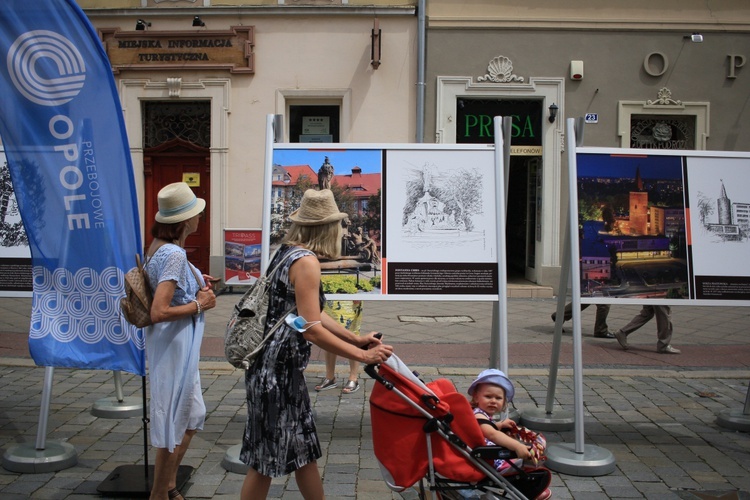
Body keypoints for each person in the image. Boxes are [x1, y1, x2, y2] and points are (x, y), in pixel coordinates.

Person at [240, 189, 393, 500]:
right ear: (327, 228)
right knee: (265, 461)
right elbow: (311, 330)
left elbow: (313, 312)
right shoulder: (306, 261)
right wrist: (363, 355)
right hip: (277, 374)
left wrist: (355, 337)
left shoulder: (286, 252)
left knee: (302, 451)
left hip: (275, 370)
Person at [144, 182, 217, 500]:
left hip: (174, 343)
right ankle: (160, 493)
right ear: (186, 220)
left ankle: (168, 485)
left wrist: (196, 280)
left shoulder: (160, 245)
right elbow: (159, 310)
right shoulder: (173, 253)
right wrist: (201, 303)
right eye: (196, 213)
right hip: (175, 343)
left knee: (189, 416)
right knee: (178, 418)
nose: (200, 216)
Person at [468, 369, 551, 500]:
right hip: (494, 461)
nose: (493, 401)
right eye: (488, 397)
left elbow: (484, 429)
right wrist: (516, 446)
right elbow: (492, 434)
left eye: (498, 398)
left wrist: (499, 425)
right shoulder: (478, 414)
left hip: (489, 456)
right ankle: (527, 494)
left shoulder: (480, 414)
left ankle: (523, 492)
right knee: (533, 467)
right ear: (476, 397)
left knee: (530, 461)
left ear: (504, 402)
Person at [315, 300, 365, 394]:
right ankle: (330, 377)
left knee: (352, 335)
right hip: (329, 298)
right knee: (328, 336)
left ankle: (353, 378)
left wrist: (358, 294)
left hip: (349, 299)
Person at [614, 305, 680, 354]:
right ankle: (664, 345)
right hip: (657, 290)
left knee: (647, 312)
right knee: (664, 314)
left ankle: (623, 332)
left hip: (652, 290)